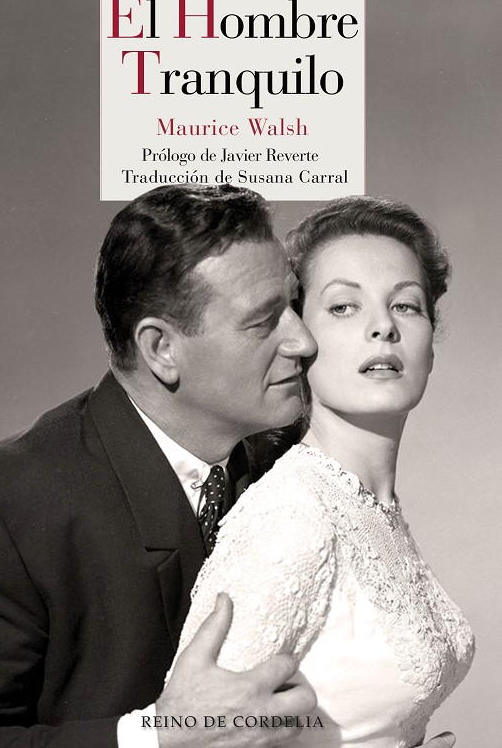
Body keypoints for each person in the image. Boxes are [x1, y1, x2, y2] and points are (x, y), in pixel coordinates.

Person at [0, 184, 318, 748]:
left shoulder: (292, 458)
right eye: (263, 321)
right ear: (161, 349)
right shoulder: (0, 508)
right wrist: (157, 737)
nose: (303, 340)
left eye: (294, 305)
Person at [172, 196, 475, 748]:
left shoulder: (372, 507)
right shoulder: (291, 517)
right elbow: (195, 737)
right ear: (298, 342)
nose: (383, 327)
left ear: (431, 345)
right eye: (343, 307)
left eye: (406, 306)